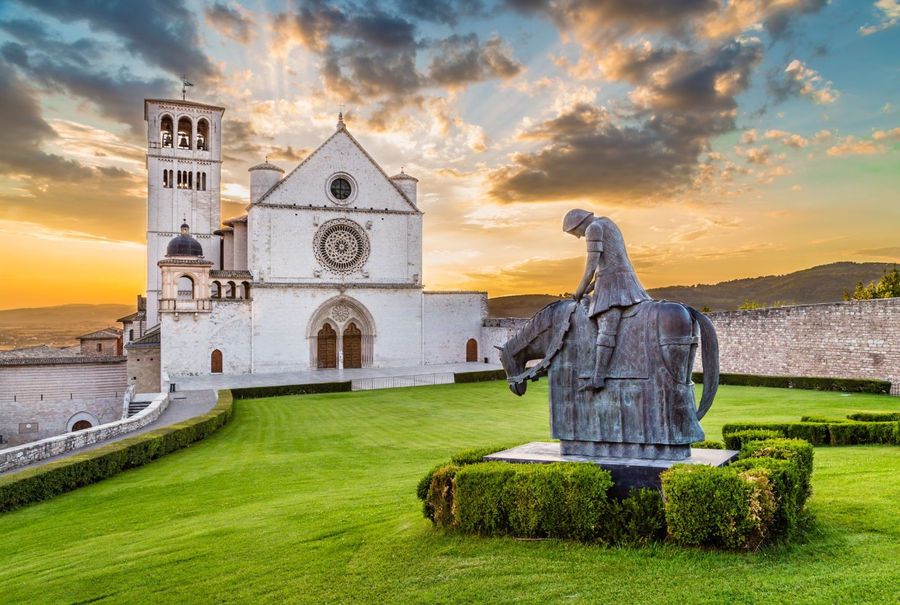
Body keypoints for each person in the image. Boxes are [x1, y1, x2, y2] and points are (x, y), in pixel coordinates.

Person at [563, 209, 651, 390]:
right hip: (620, 280)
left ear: (579, 224)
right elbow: (609, 266)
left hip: (615, 286)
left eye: (575, 232)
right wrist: (589, 288)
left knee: (606, 329)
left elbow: (591, 268)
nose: (578, 236)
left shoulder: (593, 228)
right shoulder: (607, 222)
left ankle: (598, 378)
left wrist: (579, 291)